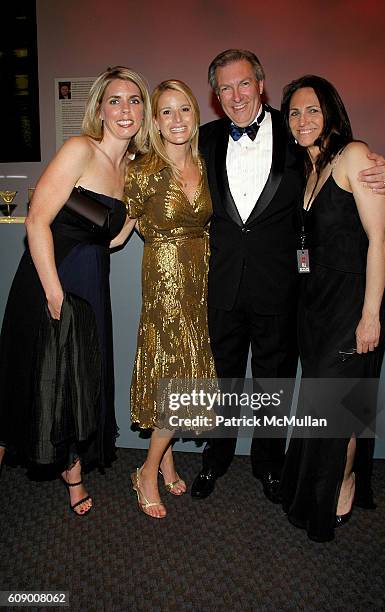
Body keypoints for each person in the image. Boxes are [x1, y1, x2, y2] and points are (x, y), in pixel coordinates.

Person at [191, 49, 385, 502]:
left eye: (244, 84)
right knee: (222, 380)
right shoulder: (202, 139)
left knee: (272, 386)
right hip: (221, 286)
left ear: (260, 84)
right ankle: (216, 459)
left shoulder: (295, 129)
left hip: (282, 291)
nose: (235, 95)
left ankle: (268, 464)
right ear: (215, 94)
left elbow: (344, 160)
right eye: (225, 87)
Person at [0, 66, 151, 514]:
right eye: (115, 101)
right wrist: (52, 294)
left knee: (77, 382)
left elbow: (114, 238)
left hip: (91, 284)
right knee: (29, 379)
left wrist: (142, 212)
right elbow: (36, 221)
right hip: (50, 278)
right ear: (100, 109)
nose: (125, 110)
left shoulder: (130, 168)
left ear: (143, 110)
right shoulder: (79, 149)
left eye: (134, 100)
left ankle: (73, 472)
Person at [279, 75, 385, 542]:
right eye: (294, 113)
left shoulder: (354, 155)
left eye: (312, 110)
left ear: (331, 113)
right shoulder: (309, 168)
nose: (302, 120)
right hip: (314, 307)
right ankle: (323, 488)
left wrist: (370, 314)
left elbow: (380, 239)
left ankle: (339, 488)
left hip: (349, 306)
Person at [122, 80, 216, 519]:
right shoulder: (142, 170)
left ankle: (166, 460)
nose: (176, 120)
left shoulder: (205, 160)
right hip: (164, 278)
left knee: (186, 366)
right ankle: (145, 471)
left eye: (184, 110)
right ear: (155, 122)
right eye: (165, 112)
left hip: (200, 276)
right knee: (176, 370)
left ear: (195, 114)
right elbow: (121, 227)